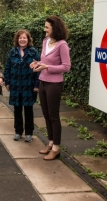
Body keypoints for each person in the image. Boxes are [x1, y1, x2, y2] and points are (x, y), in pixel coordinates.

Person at [30, 15, 71, 160]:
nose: (44, 29)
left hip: (54, 84)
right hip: (42, 81)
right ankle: (51, 142)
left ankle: (56, 148)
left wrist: (48, 67)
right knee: (46, 115)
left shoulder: (62, 45)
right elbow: (45, 60)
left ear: (55, 28)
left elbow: (66, 67)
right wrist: (37, 64)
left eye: (47, 27)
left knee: (53, 116)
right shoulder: (45, 41)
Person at [4, 29, 40, 143]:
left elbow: (39, 70)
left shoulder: (33, 52)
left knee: (28, 110)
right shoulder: (12, 52)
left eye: (24, 38)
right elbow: (7, 68)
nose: (22, 40)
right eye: (20, 38)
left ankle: (29, 132)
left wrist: (36, 84)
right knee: (17, 109)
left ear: (28, 39)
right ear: (17, 39)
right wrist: (7, 82)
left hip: (28, 86)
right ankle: (18, 131)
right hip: (15, 86)